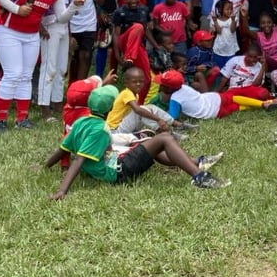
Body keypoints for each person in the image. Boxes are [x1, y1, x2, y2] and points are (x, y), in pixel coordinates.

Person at [42, 84, 229, 199]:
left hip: (115, 159)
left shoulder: (81, 122)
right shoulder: (100, 130)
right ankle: (199, 177)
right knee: (164, 138)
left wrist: (45, 167)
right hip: (118, 171)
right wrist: (62, 190)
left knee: (147, 141)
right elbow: (78, 160)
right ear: (110, 109)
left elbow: (62, 149)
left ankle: (196, 162)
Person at [0, 0, 87, 132]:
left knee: (26, 75)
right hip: (8, 30)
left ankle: (22, 118)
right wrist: (16, 8)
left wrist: (74, 5)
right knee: (13, 73)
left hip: (31, 34)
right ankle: (0, 120)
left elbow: (61, 18)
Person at [64, 0, 105, 82]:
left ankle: (81, 87)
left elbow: (101, 0)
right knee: (72, 57)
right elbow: (65, 6)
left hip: (89, 23)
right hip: (72, 25)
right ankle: (72, 86)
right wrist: (69, 31)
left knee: (86, 56)